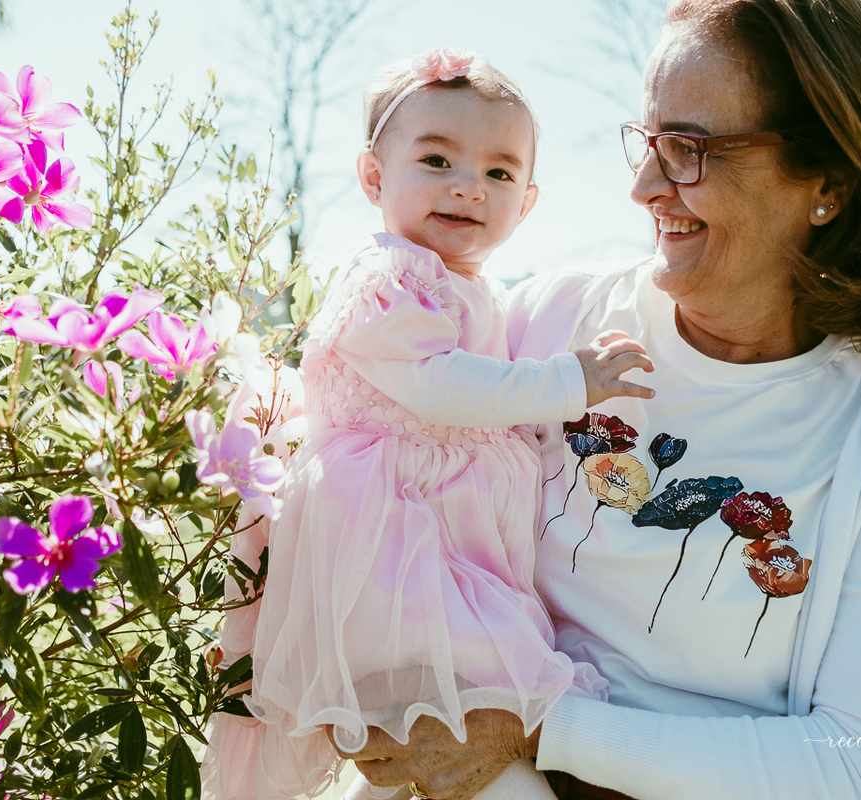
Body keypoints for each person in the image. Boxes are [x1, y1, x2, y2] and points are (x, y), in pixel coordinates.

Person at [335, 1, 861, 799]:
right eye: (647, 143)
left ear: (828, 182)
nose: (646, 187)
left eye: (689, 149)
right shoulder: (549, 323)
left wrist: (541, 728)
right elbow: (376, 455)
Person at [200, 49, 658, 800]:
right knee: (462, 732)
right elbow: (438, 386)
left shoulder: (488, 294)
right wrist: (568, 380)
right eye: (438, 159)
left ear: (528, 203)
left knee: (413, 744)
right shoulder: (388, 275)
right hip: (391, 543)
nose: (468, 186)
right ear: (375, 177)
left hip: (452, 553)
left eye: (499, 173)